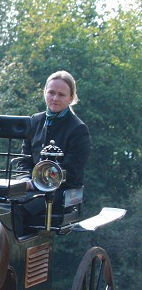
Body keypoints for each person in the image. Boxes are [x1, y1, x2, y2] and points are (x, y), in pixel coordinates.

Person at [12, 70, 91, 232]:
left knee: (16, 208)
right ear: (45, 93)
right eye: (51, 93)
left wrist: (37, 183)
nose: (55, 98)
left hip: (61, 193)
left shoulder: (78, 129)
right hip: (30, 187)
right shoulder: (34, 121)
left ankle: (15, 255)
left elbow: (72, 172)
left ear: (71, 98)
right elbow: (24, 160)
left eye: (61, 95)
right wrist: (25, 178)